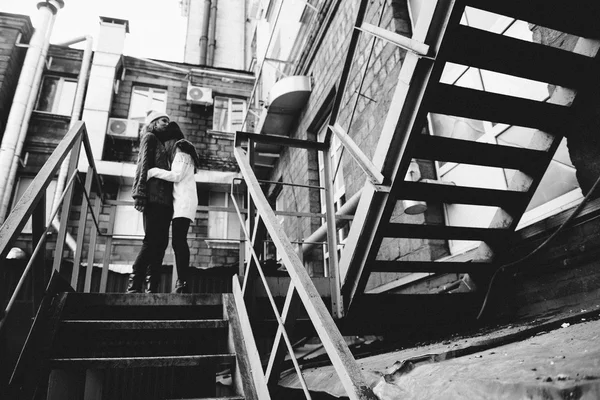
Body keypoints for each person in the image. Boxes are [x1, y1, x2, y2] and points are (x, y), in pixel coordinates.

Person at [147, 122, 200, 293]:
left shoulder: (180, 151)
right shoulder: (184, 153)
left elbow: (176, 176)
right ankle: (182, 282)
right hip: (183, 202)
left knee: (179, 242)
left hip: (184, 203)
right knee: (179, 242)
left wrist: (152, 171)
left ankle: (182, 282)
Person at [128, 111, 176, 293]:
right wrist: (139, 194)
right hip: (153, 198)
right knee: (151, 241)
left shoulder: (164, 145)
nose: (167, 124)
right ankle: (134, 283)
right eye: (164, 121)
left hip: (165, 202)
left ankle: (152, 285)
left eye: (168, 121)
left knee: (162, 243)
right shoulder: (149, 138)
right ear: (154, 123)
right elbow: (142, 165)